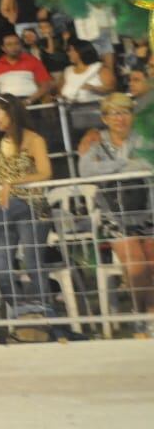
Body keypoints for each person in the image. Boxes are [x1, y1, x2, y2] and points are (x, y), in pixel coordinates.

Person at [0, 95, 54, 321]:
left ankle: (45, 311)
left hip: (31, 206)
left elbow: (45, 172)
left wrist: (12, 183)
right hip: (4, 208)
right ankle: (20, 308)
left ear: (11, 112)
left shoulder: (33, 139)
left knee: (32, 261)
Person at [77, 93, 153, 328]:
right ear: (105, 118)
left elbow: (150, 164)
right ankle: (145, 318)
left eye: (125, 112)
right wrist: (124, 165)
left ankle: (146, 317)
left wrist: (113, 168)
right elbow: (86, 170)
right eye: (114, 113)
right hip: (114, 215)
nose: (120, 118)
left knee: (152, 262)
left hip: (148, 210)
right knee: (136, 265)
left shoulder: (143, 138)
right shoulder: (96, 141)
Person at [0, 33, 54, 104]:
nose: (14, 47)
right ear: (3, 48)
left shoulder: (33, 61)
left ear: (21, 45)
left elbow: (45, 85)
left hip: (31, 101)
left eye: (17, 43)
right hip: (6, 105)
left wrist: (29, 100)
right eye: (9, 44)